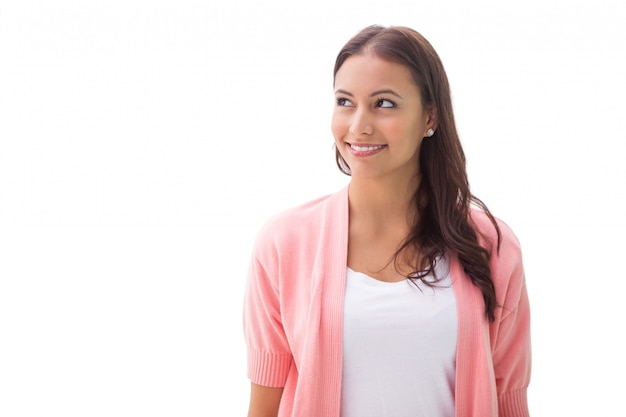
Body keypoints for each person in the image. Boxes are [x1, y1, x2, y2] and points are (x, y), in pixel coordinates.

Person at [243, 24, 531, 417]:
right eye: (345, 101)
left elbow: (510, 399)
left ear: (430, 116)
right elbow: (263, 409)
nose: (358, 124)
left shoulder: (490, 247)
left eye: (384, 103)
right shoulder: (283, 243)